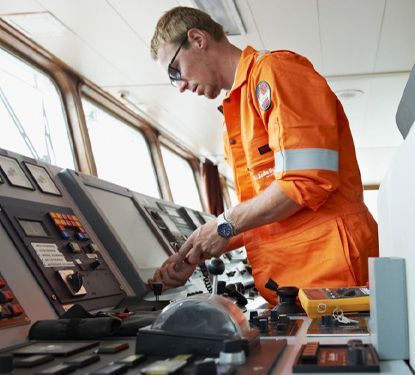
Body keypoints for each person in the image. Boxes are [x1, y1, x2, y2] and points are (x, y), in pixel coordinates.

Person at [149, 6, 379, 306]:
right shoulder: (237, 109)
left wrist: (224, 225)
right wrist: (197, 251)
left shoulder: (276, 71)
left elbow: (306, 180)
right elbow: (263, 210)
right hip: (296, 289)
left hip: (333, 276)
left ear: (197, 39)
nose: (178, 85)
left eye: (174, 70)